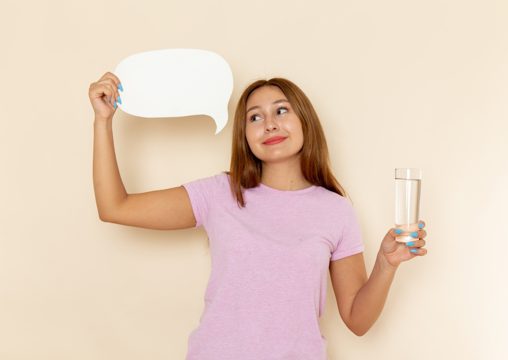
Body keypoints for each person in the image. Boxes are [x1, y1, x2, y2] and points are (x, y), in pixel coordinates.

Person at [88, 72, 428, 359]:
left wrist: (386, 265)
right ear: (245, 135)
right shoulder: (220, 194)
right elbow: (114, 207)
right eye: (255, 117)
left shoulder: (334, 210)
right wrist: (103, 121)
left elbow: (357, 319)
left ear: (305, 122)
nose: (269, 124)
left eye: (282, 111)